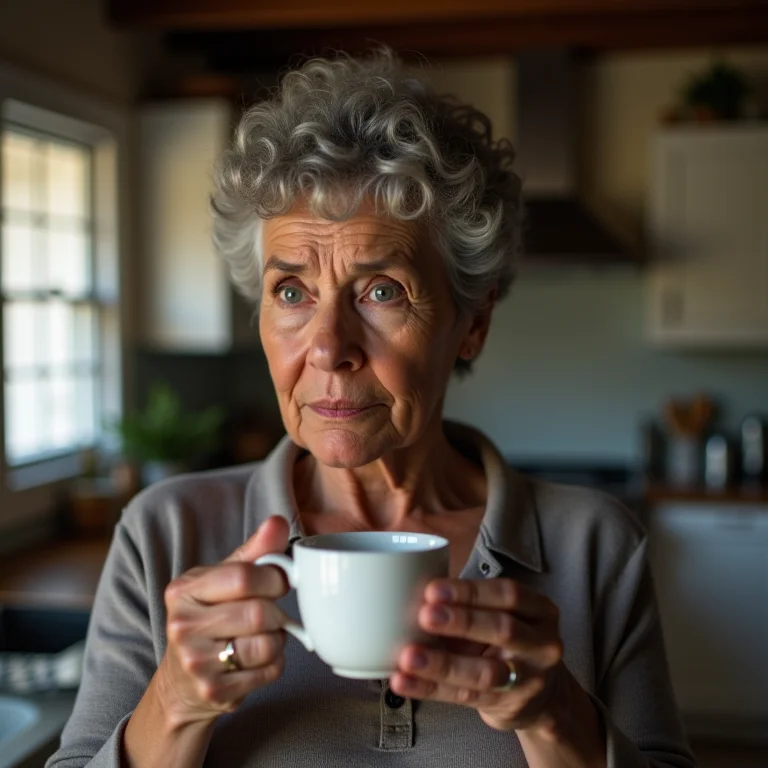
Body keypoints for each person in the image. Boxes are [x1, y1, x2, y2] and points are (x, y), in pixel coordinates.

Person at [46, 49, 697, 768]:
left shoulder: (594, 546)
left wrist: (556, 716)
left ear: (471, 322)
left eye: (381, 290)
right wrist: (174, 702)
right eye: (291, 292)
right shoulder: (164, 534)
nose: (327, 347)